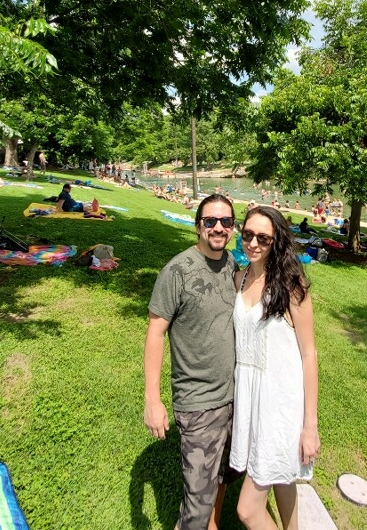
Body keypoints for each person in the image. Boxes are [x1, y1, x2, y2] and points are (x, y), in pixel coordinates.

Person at [144, 195, 239, 530]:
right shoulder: (177, 271)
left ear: (233, 228)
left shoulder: (232, 265)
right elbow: (156, 333)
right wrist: (152, 401)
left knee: (225, 475)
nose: (218, 227)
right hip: (199, 404)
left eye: (225, 222)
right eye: (210, 221)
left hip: (235, 397)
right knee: (196, 507)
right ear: (198, 225)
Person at [230, 205, 319, 530]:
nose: (253, 243)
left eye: (263, 238)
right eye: (248, 234)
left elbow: (309, 355)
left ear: (276, 241)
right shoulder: (239, 279)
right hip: (250, 399)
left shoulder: (292, 286)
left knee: (247, 510)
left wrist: (310, 426)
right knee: (282, 478)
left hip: (280, 405)